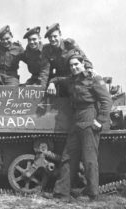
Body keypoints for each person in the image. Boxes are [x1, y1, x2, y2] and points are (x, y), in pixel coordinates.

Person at [45, 49, 112, 202]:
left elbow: (106, 100)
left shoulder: (93, 79)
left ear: (83, 64)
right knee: (68, 157)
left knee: (89, 159)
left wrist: (100, 120)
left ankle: (92, 195)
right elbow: (58, 79)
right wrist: (52, 83)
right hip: (76, 121)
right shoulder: (71, 80)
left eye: (76, 64)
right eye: (71, 66)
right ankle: (61, 193)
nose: (74, 68)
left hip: (90, 120)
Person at [44, 23, 93, 94]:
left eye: (55, 36)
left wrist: (89, 68)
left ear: (60, 34)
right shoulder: (47, 49)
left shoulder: (69, 44)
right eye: (50, 37)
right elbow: (45, 70)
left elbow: (83, 57)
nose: (52, 39)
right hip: (60, 79)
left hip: (74, 76)